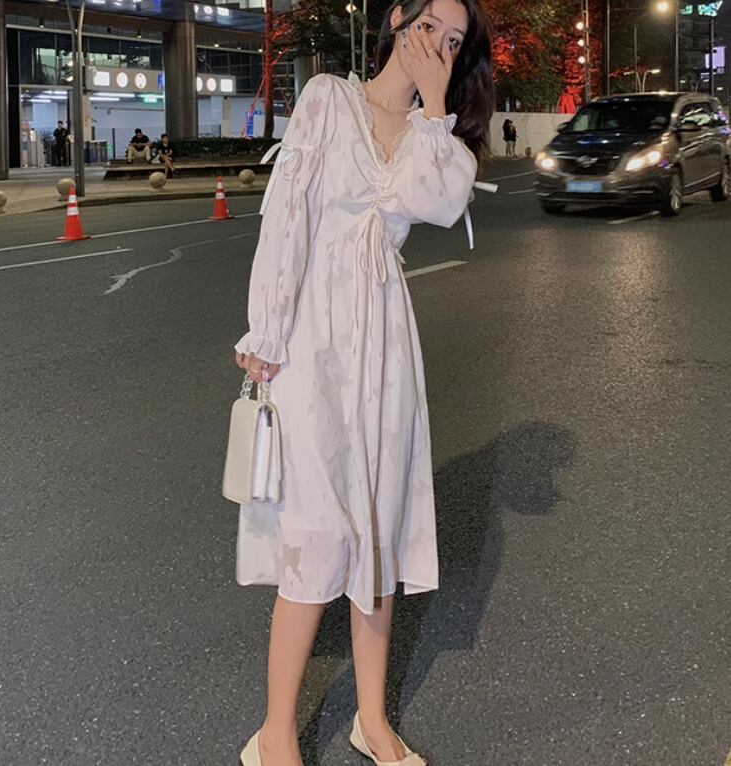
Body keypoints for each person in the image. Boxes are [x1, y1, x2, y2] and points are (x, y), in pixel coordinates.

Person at [233, 0, 493, 764]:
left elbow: (441, 202)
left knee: (376, 533)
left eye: (454, 43)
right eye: (430, 29)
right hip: (312, 346)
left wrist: (436, 106)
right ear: (396, 20)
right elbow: (287, 218)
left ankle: (370, 721)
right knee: (316, 535)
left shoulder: (432, 139)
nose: (439, 48)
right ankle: (275, 732)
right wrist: (267, 331)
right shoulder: (327, 100)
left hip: (385, 349)